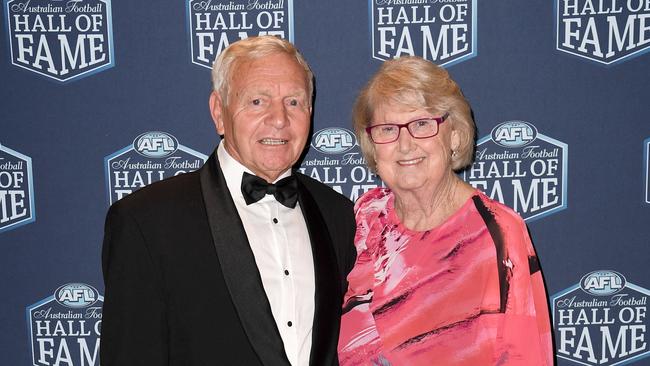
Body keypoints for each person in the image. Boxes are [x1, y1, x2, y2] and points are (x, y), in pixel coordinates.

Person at [100, 36, 356, 366]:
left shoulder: (339, 214)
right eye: (257, 102)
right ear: (219, 113)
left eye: (293, 102)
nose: (279, 119)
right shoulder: (147, 222)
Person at [337, 56, 553, 365]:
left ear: (453, 135)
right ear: (373, 145)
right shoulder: (364, 217)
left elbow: (526, 355)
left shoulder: (497, 232)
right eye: (387, 129)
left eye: (422, 124)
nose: (405, 144)